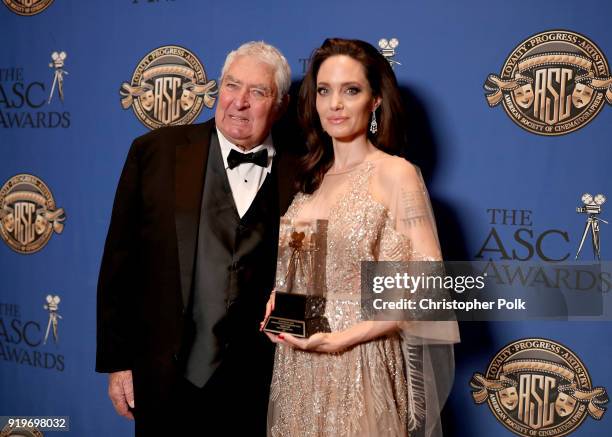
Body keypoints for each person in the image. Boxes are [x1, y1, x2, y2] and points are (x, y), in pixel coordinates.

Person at [96, 41, 297, 436]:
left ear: (282, 106)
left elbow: (310, 272)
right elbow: (120, 263)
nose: (239, 102)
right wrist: (119, 364)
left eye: (258, 92)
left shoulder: (304, 170)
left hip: (262, 387)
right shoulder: (155, 152)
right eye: (231, 86)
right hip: (166, 380)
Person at [262, 38, 460, 437]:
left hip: (359, 362)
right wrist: (277, 300)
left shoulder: (396, 174)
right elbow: (303, 271)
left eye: (350, 90)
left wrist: (345, 338)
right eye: (324, 90)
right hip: (297, 367)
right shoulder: (309, 181)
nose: (334, 103)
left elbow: (428, 283)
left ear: (374, 101)